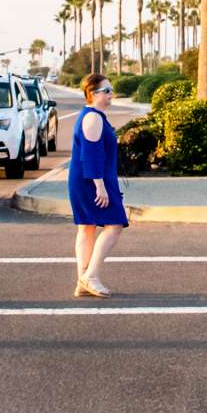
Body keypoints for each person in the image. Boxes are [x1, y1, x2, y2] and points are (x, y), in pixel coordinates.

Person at [65, 74, 125, 298]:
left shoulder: (95, 116)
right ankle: (90, 275)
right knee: (115, 225)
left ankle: (83, 280)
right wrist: (100, 186)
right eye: (106, 90)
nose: (111, 94)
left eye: (111, 90)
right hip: (92, 180)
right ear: (92, 93)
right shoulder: (93, 118)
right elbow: (91, 155)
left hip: (88, 178)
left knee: (87, 226)